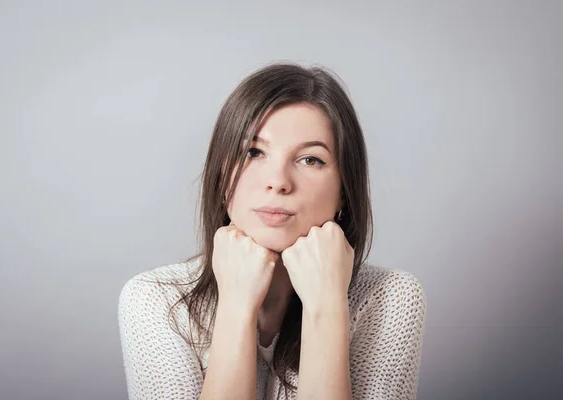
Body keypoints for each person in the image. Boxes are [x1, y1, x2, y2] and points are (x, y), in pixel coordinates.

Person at [118, 62, 427, 400]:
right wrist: (236, 307)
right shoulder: (157, 300)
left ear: (343, 190)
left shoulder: (389, 298)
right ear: (222, 181)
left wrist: (326, 306)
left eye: (311, 159)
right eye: (253, 152)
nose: (278, 181)